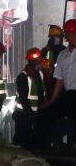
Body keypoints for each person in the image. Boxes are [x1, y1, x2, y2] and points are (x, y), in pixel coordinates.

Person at [38, 19, 76, 150]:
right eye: (71, 34)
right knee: (46, 114)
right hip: (68, 95)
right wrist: (52, 101)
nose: (73, 37)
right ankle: (47, 147)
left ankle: (72, 145)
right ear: (66, 36)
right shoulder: (62, 55)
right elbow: (59, 79)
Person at [13, 48, 45, 150]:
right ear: (31, 62)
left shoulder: (39, 75)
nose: (40, 63)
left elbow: (41, 95)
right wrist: (31, 114)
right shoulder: (23, 77)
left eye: (40, 61)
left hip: (34, 114)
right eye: (38, 61)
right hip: (23, 115)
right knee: (21, 142)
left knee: (31, 143)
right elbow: (23, 99)